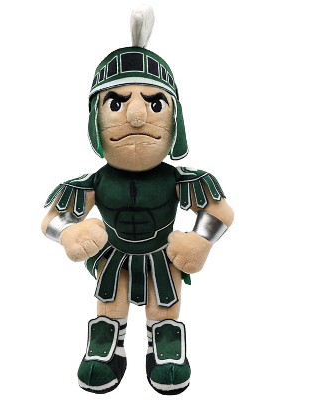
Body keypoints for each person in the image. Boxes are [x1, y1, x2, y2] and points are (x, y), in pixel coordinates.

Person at [41, 5, 234, 395]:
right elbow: (51, 220)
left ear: (174, 119)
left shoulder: (183, 179)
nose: (136, 116)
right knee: (110, 305)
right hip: (114, 257)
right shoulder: (92, 182)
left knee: (165, 307)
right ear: (96, 119)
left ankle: (165, 347)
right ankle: (106, 346)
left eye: (154, 103)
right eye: (115, 103)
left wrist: (200, 241)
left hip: (163, 256)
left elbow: (219, 210)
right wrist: (68, 234)